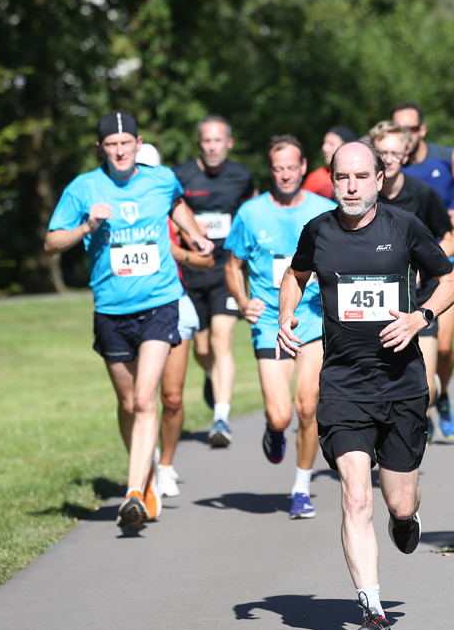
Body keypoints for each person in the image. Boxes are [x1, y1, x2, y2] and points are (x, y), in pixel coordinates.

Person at [277, 141, 454, 630]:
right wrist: (284, 315)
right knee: (356, 495)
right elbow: (295, 278)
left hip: (402, 385)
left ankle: (406, 518)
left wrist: (420, 317)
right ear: (332, 180)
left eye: (362, 176)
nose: (353, 186)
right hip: (342, 385)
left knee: (397, 501)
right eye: (343, 178)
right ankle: (374, 614)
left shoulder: (403, 227)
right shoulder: (318, 230)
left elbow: (452, 280)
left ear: (380, 179)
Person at [45, 113, 213, 531]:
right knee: (126, 403)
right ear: (100, 148)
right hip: (111, 311)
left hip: (159, 302)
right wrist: (88, 225)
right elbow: (51, 242)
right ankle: (146, 477)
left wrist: (195, 236)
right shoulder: (83, 188)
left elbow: (177, 205)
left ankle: (134, 493)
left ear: (138, 143)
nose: (120, 151)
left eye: (126, 143)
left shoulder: (161, 178)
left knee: (144, 399)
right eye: (111, 144)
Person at [224, 136, 336, 518]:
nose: (285, 175)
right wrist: (242, 302)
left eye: (292, 167)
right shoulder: (251, 213)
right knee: (280, 416)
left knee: (308, 407)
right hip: (271, 321)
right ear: (270, 171)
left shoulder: (325, 210)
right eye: (278, 169)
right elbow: (232, 265)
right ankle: (273, 431)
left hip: (313, 319)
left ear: (303, 166)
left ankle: (300, 489)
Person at [367, 121, 454, 437]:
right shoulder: (364, 197)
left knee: (424, 393)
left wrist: (425, 262)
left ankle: (434, 394)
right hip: (378, 299)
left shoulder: (423, 194)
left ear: (406, 154)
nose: (389, 158)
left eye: (396, 152)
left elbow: (452, 238)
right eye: (383, 152)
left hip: (422, 297)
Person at [393, 103, 454, 443]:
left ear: (422, 130)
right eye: (399, 130)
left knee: (443, 348)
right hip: (403, 270)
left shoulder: (446, 158)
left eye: (411, 129)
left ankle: (441, 397)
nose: (406, 136)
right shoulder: (386, 170)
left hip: (440, 264)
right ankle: (421, 399)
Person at [135, 143, 214, 499]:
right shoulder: (120, 212)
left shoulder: (176, 212)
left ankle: (165, 464)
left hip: (174, 304)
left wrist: (176, 251)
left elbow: (206, 261)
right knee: (139, 398)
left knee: (172, 397)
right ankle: (144, 461)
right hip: (130, 308)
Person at [173, 115, 256, 448]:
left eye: (218, 140)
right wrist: (189, 231)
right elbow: (170, 218)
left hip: (227, 271)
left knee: (222, 340)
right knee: (202, 348)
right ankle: (211, 376)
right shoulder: (181, 175)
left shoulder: (241, 175)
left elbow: (251, 213)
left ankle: (221, 417)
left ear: (228, 143)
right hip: (192, 273)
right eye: (206, 141)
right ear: (199, 143)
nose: (212, 147)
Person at [302, 126, 356, 199]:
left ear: (347, 146)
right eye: (324, 143)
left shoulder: (360, 176)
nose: (324, 148)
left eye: (331, 144)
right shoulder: (315, 178)